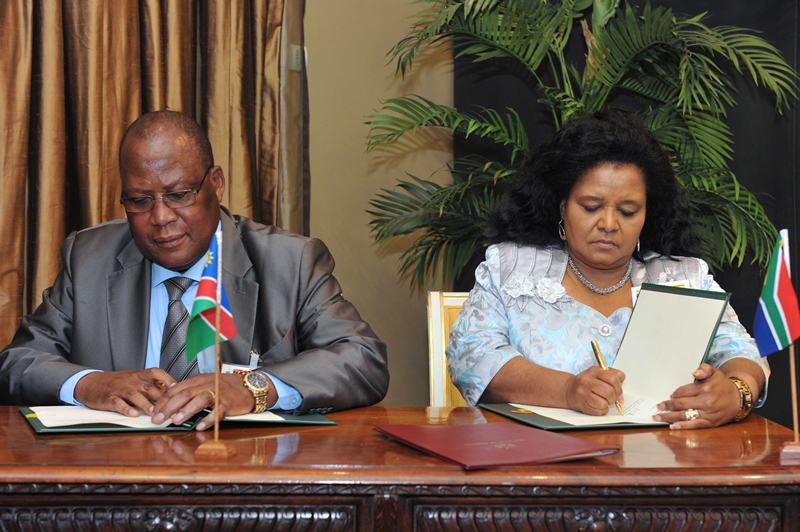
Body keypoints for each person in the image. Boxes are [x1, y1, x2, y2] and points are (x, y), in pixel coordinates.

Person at [0, 110, 389, 430]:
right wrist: (89, 384)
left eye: (179, 195)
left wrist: (252, 387)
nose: (160, 217)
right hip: (121, 477)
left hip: (248, 478)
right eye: (139, 200)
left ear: (216, 184)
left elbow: (362, 359)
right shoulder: (88, 257)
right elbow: (17, 364)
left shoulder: (291, 261)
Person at [447, 111, 769, 429]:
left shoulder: (683, 278)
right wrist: (567, 390)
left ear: (647, 214)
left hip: (665, 463)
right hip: (538, 465)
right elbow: (472, 357)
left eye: (628, 212)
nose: (609, 224)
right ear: (563, 207)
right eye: (591, 207)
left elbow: (741, 354)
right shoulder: (512, 268)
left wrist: (737, 393)